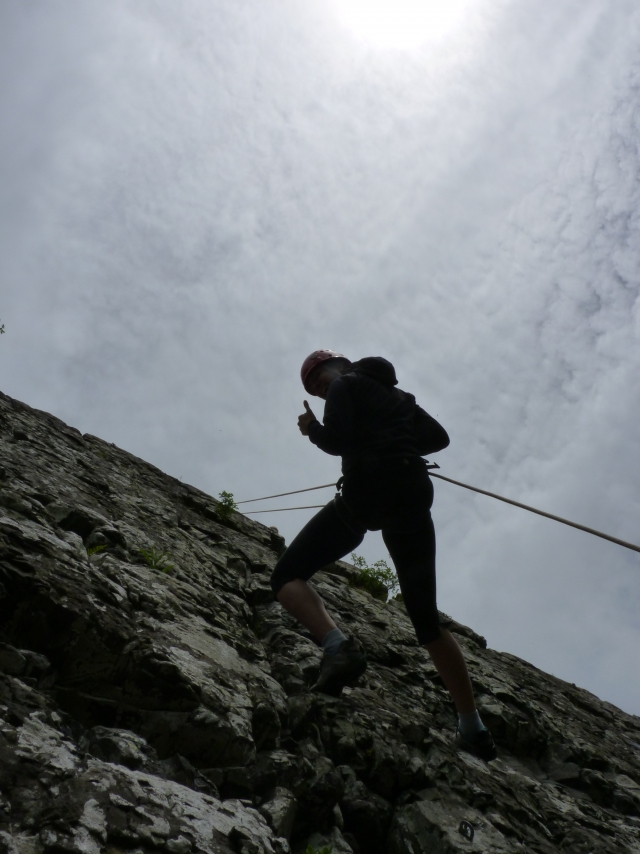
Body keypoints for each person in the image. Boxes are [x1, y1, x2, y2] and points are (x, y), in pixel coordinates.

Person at [270, 350, 497, 761]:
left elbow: (337, 440)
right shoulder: (398, 396)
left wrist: (311, 429)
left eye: (319, 378)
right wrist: (398, 443)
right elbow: (438, 437)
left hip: (368, 493)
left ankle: (338, 647)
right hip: (411, 493)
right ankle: (472, 727)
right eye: (314, 389)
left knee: (285, 576)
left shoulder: (345, 385)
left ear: (337, 366)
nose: (321, 388)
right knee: (424, 617)